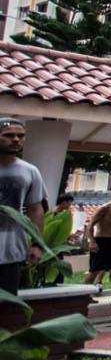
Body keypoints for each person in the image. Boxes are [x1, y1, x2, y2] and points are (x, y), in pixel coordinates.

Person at [0, 118, 46, 298]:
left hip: (12, 250)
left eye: (20, 136)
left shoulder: (29, 171)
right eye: (9, 135)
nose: (16, 140)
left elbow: (35, 209)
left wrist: (37, 245)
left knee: (6, 306)